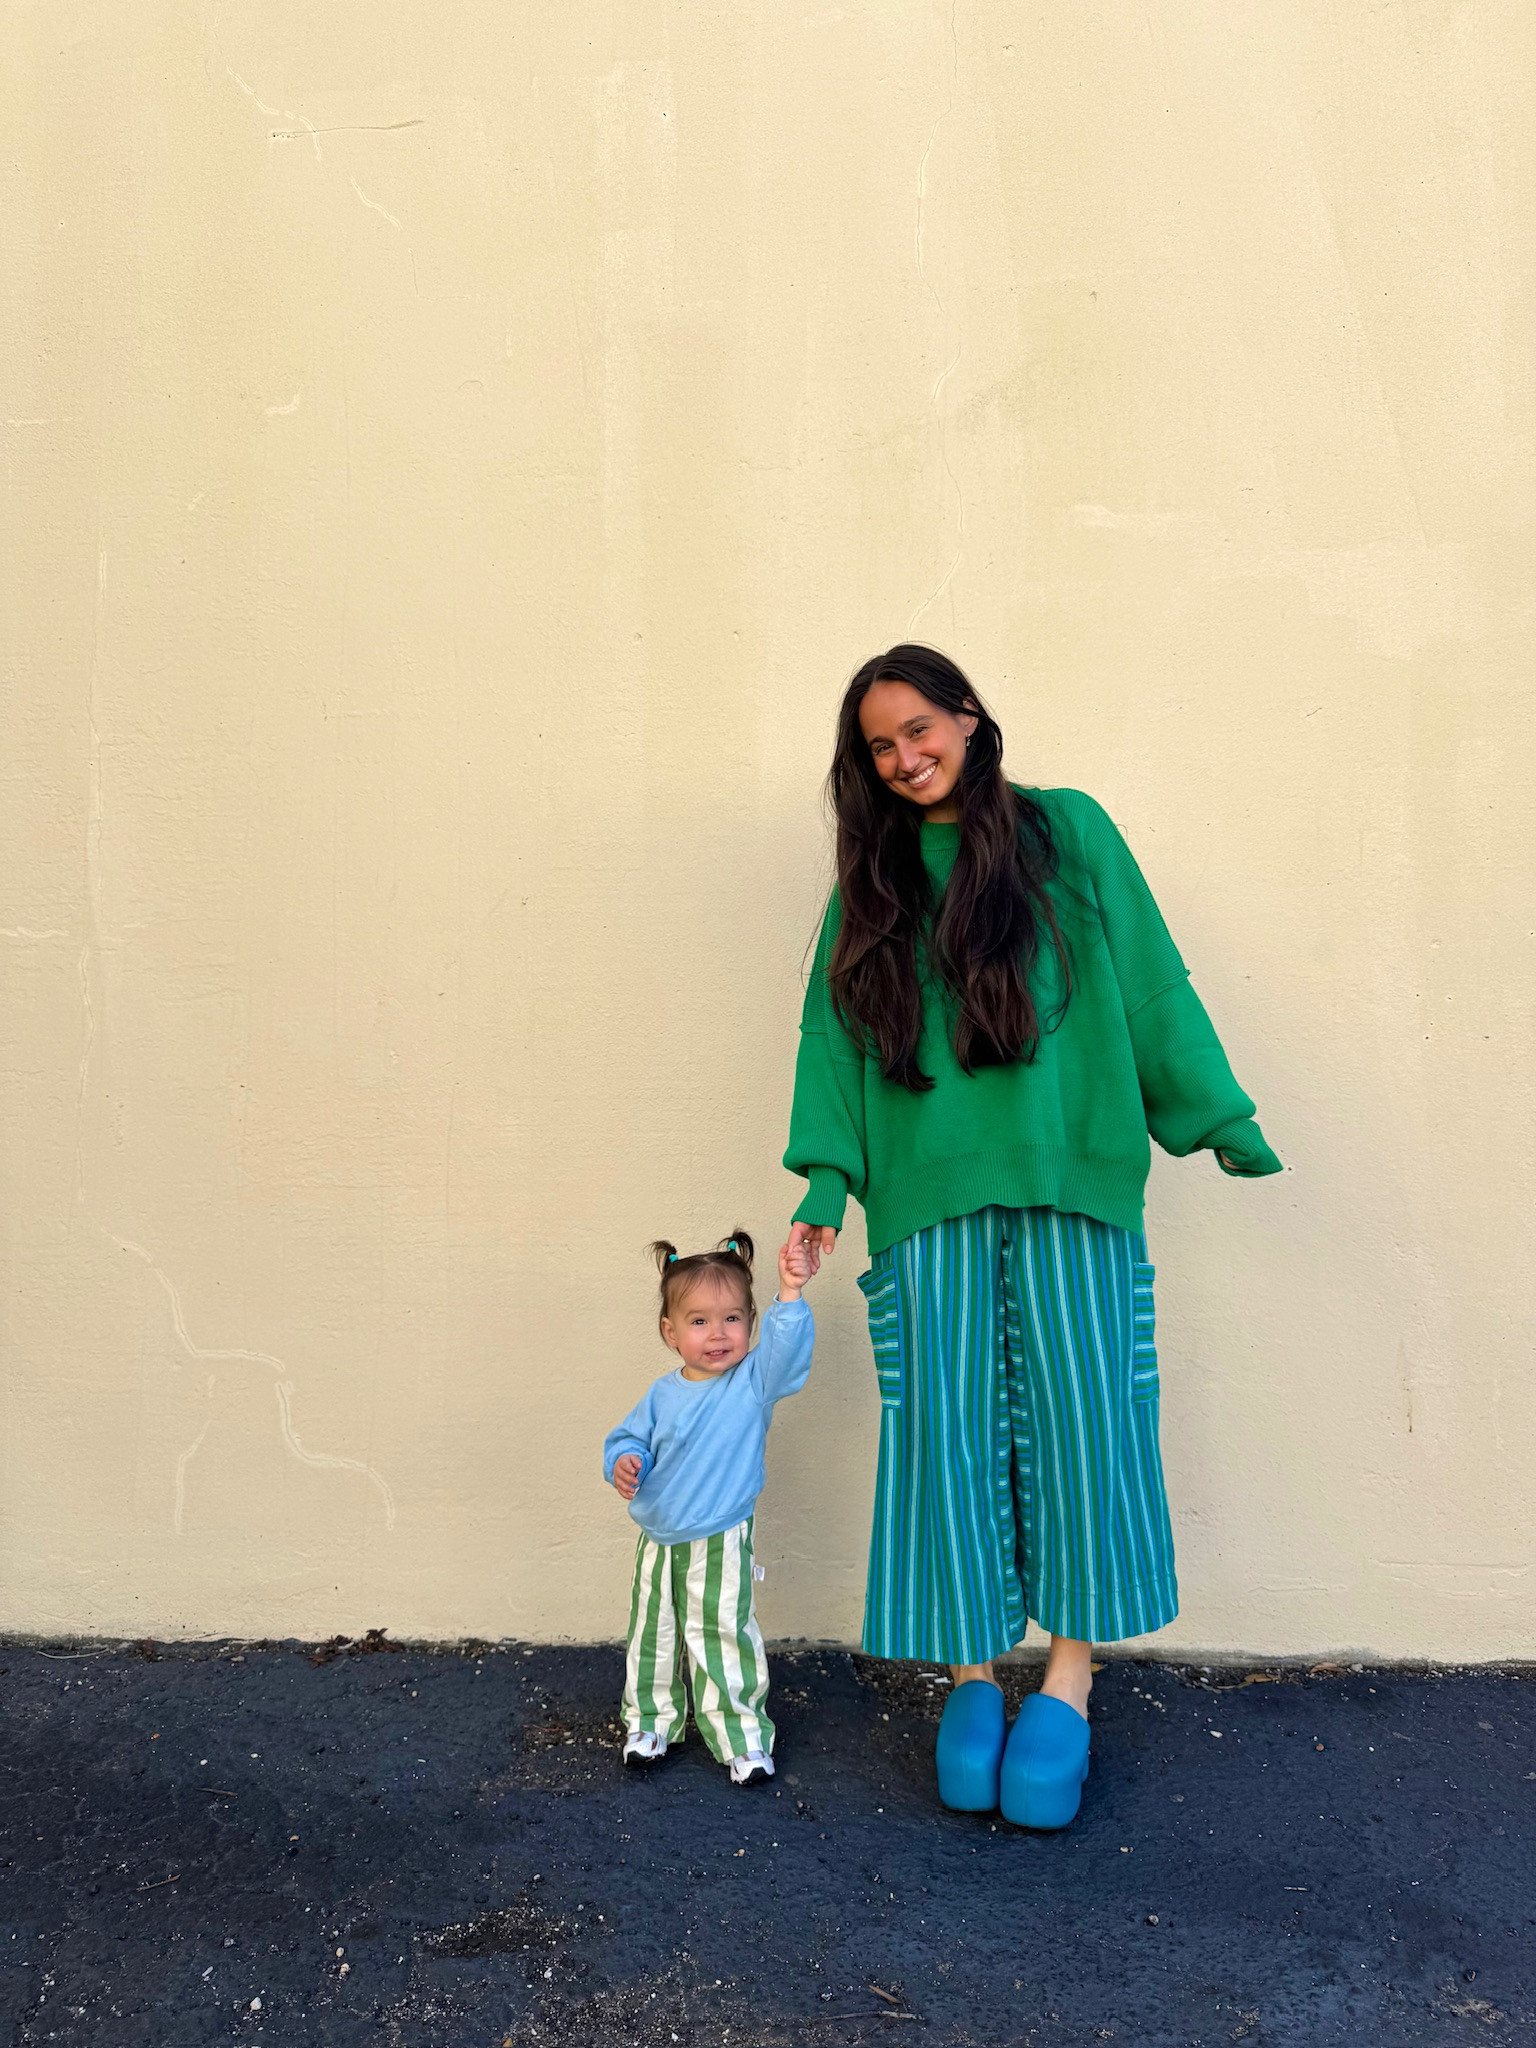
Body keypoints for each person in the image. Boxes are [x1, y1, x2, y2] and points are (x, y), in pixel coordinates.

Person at [784, 645, 1281, 1828]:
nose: (906, 759)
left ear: (967, 713)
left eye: (919, 728)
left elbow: (1150, 978)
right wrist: (823, 1184)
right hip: (925, 1193)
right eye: (880, 747)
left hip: (1074, 1180)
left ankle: (1067, 1675)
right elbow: (833, 1034)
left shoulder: (1068, 833)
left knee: (1082, 1415)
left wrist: (1214, 1112)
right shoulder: (878, 880)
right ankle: (967, 1675)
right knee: (944, 1432)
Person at [603, 1230, 815, 1787]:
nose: (717, 1334)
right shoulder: (661, 1394)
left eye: (732, 1319)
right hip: (658, 1538)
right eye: (698, 1321)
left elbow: (787, 1355)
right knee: (653, 1633)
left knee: (722, 1634)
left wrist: (789, 1293)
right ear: (670, 1332)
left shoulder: (752, 1383)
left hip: (720, 1537)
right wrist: (626, 1461)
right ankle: (650, 1723)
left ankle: (742, 1737)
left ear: (750, 1322)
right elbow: (627, 1440)